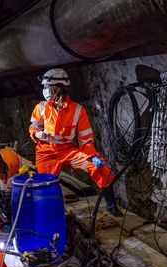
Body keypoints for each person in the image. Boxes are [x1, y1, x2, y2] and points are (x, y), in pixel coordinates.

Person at [29, 68, 123, 216]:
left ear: (58, 88)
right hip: (46, 152)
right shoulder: (41, 108)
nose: (45, 90)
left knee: (99, 167)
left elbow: (86, 140)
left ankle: (111, 206)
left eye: (47, 87)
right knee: (44, 184)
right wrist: (37, 134)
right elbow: (33, 127)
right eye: (45, 87)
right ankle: (50, 213)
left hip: (68, 151)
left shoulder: (78, 110)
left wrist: (92, 156)